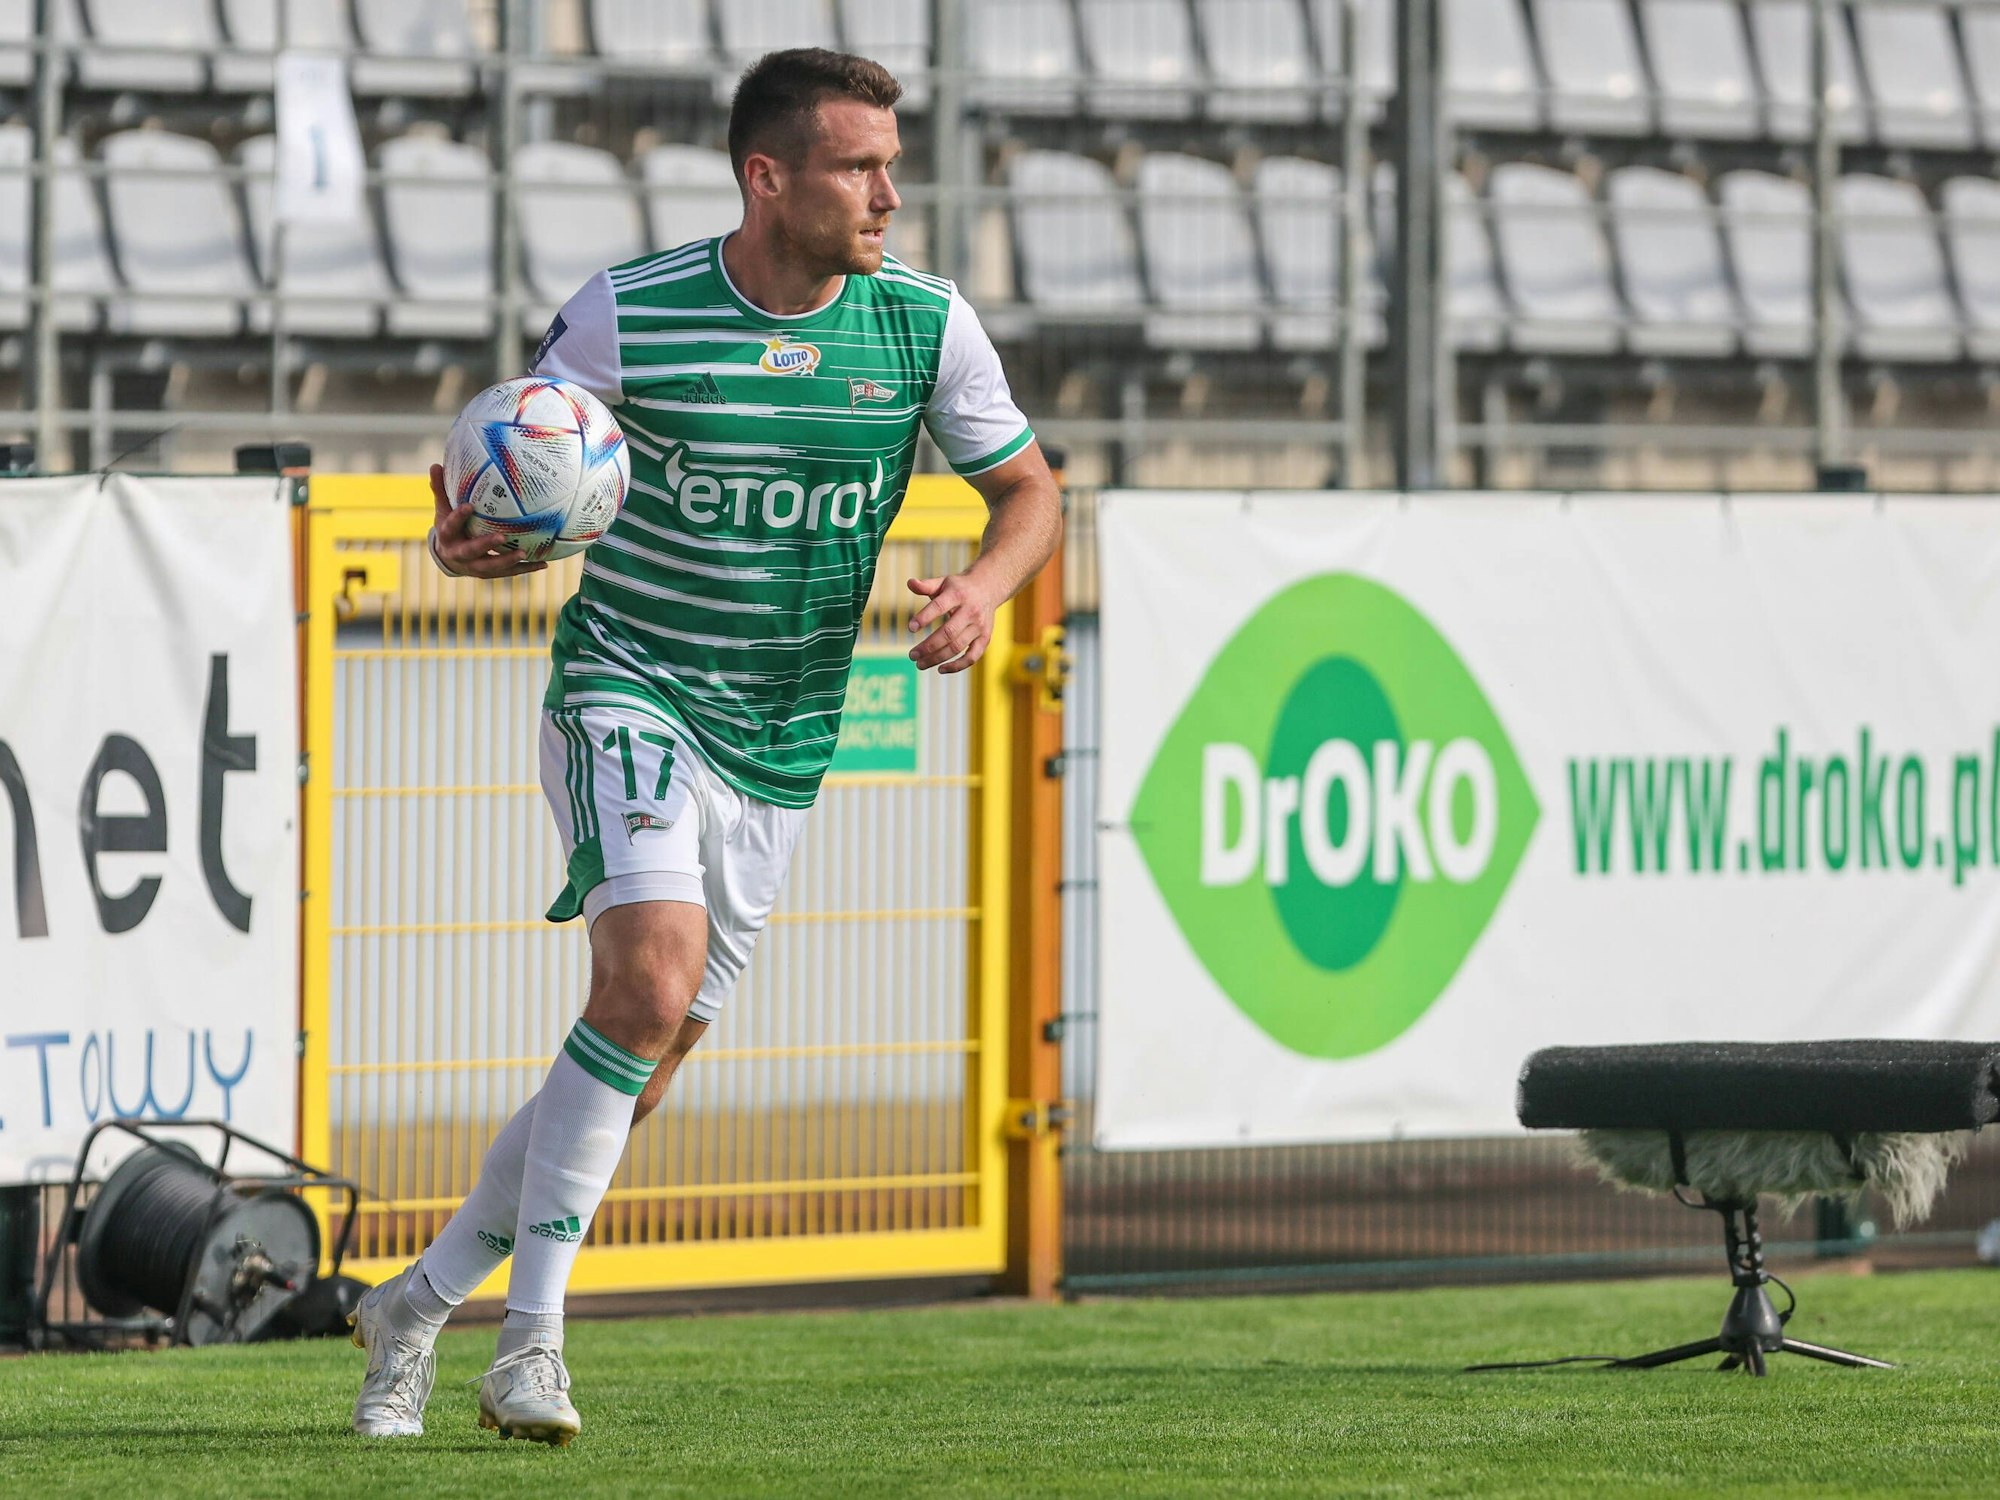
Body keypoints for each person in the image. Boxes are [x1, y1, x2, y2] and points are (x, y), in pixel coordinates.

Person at [346, 48, 1061, 1447]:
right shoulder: (633, 313)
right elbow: (518, 481)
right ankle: (530, 1350)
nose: (888, 193)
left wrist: (985, 585)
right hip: (631, 684)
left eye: (889, 164)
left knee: (644, 1047)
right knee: (650, 978)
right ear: (767, 175)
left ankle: (416, 1303)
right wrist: (474, 544)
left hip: (783, 734)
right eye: (859, 166)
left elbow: (1030, 490)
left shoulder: (922, 327)